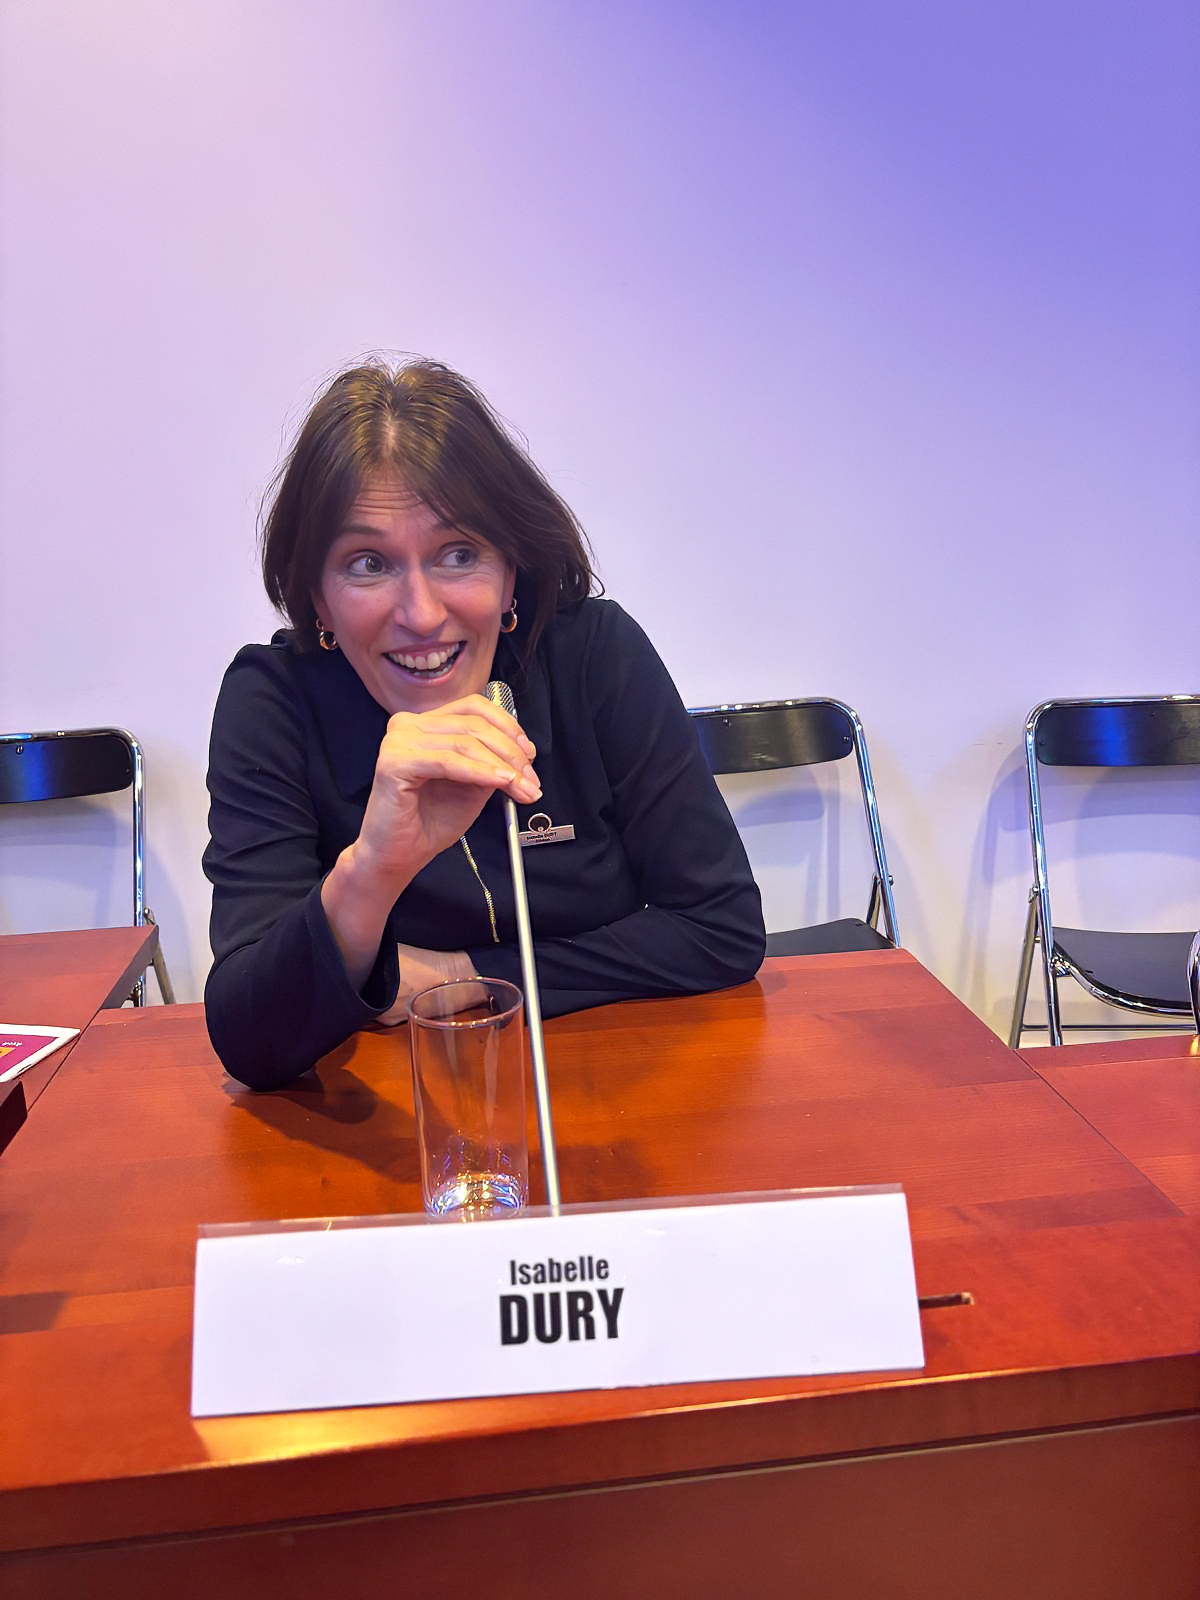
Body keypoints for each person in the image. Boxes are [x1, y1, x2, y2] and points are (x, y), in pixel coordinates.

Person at [204, 360, 765, 1089]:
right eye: (368, 563)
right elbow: (251, 1040)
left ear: (510, 573)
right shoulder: (271, 701)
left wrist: (463, 978)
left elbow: (721, 928)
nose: (421, 614)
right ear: (317, 597)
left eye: (459, 554)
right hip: (402, 1119)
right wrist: (371, 870)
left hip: (627, 1084)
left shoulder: (595, 655)